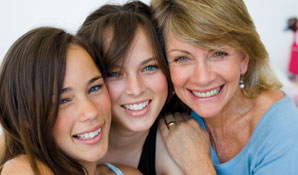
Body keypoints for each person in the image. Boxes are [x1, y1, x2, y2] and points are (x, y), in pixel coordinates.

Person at [151, 0, 298, 174]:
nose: (203, 78)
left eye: (218, 54)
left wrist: (198, 165)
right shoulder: (168, 113)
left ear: (244, 58)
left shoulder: (281, 127)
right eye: (182, 58)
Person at [0, 27, 140, 175]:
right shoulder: (22, 169)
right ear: (25, 117)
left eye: (94, 88)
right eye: (63, 101)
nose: (91, 112)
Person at [77, 1, 182, 174]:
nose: (136, 89)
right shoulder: (62, 139)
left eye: (149, 67)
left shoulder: (178, 147)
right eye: (114, 74)